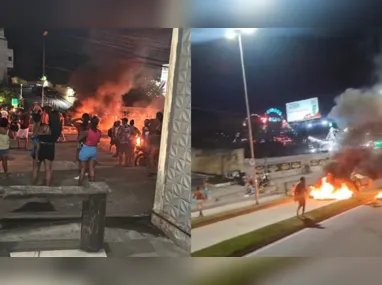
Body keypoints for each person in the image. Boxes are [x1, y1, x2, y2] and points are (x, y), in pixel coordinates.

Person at [32, 107, 61, 186]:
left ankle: (33, 187)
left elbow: (34, 135)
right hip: (50, 147)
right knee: (48, 169)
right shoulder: (57, 127)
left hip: (40, 146)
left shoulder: (43, 126)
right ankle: (47, 188)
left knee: (36, 169)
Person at [78, 116, 102, 185]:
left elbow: (79, 139)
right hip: (93, 150)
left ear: (90, 123)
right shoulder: (99, 132)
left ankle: (80, 185)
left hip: (86, 149)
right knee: (91, 169)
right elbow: (97, 141)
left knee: (83, 168)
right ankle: (93, 186)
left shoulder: (87, 132)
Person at [71, 113, 90, 180]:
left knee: (80, 159)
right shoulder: (90, 125)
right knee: (87, 159)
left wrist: (79, 118)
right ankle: (86, 172)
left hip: (81, 144)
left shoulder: (79, 125)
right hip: (88, 144)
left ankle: (81, 173)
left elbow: (71, 121)